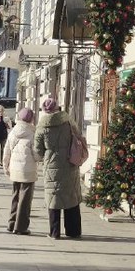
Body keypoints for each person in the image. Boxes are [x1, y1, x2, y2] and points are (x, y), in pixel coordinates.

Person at [34, 98, 82, 240]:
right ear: (57, 108)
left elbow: (38, 149)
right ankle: (73, 231)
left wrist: (47, 155)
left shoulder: (42, 126)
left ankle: (54, 232)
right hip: (69, 163)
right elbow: (78, 136)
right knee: (71, 196)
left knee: (53, 197)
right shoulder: (68, 122)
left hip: (51, 165)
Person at [3, 108, 41, 235]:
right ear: (31, 119)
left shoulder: (13, 131)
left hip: (14, 169)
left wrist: (6, 167)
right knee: (25, 199)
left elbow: (6, 151)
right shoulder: (32, 133)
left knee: (15, 197)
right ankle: (21, 227)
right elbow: (36, 155)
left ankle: (11, 223)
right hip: (28, 170)